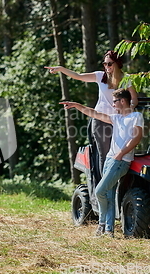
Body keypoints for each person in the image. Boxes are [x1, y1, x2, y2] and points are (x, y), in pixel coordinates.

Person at [60, 89, 143, 237]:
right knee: (108, 194)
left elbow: (136, 138)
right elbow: (94, 113)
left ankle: (102, 224)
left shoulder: (136, 116)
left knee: (99, 191)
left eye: (114, 102)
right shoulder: (116, 118)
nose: (113, 105)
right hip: (110, 159)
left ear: (122, 101)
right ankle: (108, 230)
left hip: (121, 161)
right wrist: (76, 105)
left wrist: (121, 153)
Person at [45, 51, 138, 180]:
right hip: (101, 120)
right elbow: (78, 76)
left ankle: (117, 188)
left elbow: (134, 99)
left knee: (120, 155)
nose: (106, 66)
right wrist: (61, 69)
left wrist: (129, 109)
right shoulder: (100, 76)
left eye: (109, 63)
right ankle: (103, 189)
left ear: (117, 63)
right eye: (104, 64)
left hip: (118, 122)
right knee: (105, 155)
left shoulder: (126, 79)